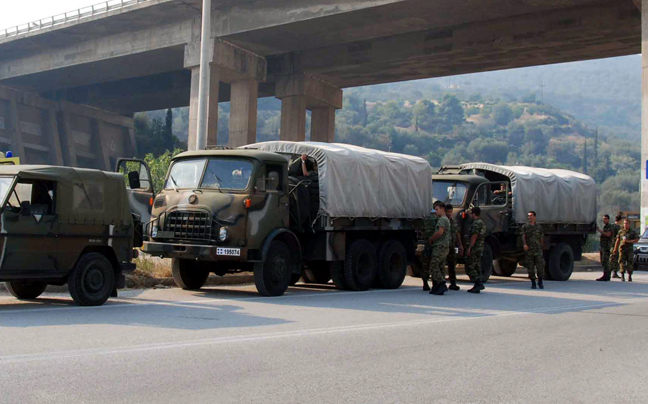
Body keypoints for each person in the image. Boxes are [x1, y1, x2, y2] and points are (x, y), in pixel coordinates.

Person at [423, 201, 451, 295]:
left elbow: (440, 232)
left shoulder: (442, 219)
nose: (435, 211)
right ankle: (437, 287)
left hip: (440, 245)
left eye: (437, 209)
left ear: (442, 209)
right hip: (443, 245)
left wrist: (431, 239)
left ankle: (442, 283)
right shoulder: (444, 219)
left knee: (433, 266)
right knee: (440, 266)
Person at [465, 207, 486, 293]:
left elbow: (474, 236)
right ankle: (477, 285)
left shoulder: (476, 224)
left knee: (470, 266)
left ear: (474, 214)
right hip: (480, 247)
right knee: (477, 266)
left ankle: (478, 282)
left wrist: (470, 247)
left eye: (471, 214)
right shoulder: (482, 222)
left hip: (475, 248)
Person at [522, 210, 545, 289]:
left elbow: (541, 237)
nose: (529, 217)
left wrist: (541, 247)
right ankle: (533, 283)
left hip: (538, 250)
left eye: (531, 215)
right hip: (529, 250)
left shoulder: (539, 227)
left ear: (534, 217)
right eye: (528, 216)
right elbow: (523, 236)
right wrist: (525, 244)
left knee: (540, 267)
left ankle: (540, 281)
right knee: (530, 268)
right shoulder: (525, 226)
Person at [445, 204, 463, 291]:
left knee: (452, 265)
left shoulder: (453, 222)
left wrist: (460, 245)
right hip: (443, 246)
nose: (449, 213)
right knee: (440, 265)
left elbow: (457, 233)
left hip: (451, 246)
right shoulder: (442, 221)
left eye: (450, 211)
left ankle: (453, 283)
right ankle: (441, 283)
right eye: (448, 211)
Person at [596, 214, 614, 281]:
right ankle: (605, 275)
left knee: (606, 261)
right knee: (603, 261)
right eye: (603, 219)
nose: (604, 220)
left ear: (608, 219)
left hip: (607, 247)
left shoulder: (609, 226)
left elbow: (608, 234)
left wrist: (599, 230)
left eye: (606, 219)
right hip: (603, 246)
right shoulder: (605, 226)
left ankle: (607, 275)